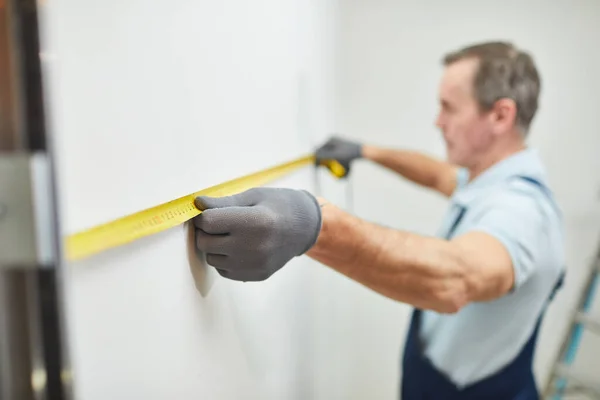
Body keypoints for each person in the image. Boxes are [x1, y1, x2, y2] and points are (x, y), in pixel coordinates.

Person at [192, 41, 565, 399]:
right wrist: (367, 152)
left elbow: (456, 279)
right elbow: (439, 175)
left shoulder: (522, 211)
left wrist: (314, 227)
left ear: (500, 115)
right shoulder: (488, 179)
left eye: (449, 107)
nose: (438, 121)